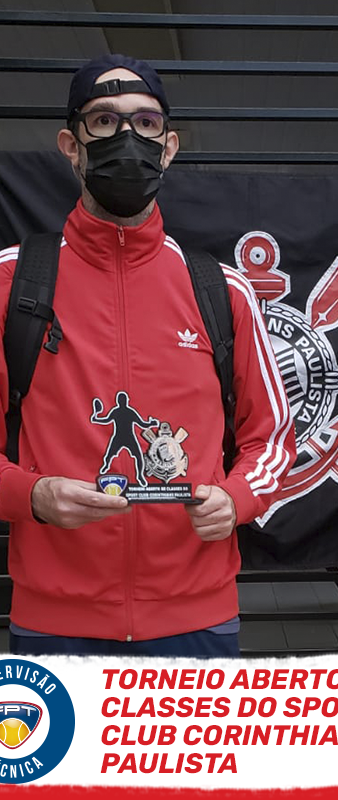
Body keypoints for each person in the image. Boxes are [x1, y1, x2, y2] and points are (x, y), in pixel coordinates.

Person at [0, 54, 295, 657]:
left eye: (146, 122)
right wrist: (31, 496)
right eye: (104, 121)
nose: (127, 137)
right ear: (72, 146)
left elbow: (272, 439)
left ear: (169, 147)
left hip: (199, 621)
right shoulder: (11, 284)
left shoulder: (221, 291)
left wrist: (237, 499)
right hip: (55, 624)